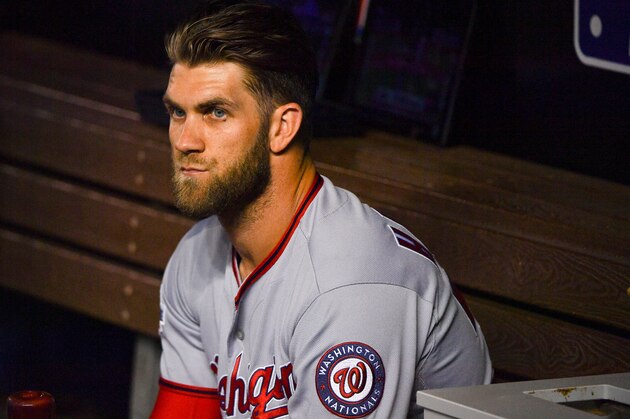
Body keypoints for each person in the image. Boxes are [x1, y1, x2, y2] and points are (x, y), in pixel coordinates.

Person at [151, 1, 492, 417]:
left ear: (283, 127)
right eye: (177, 112)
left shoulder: (353, 284)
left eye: (216, 112)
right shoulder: (196, 256)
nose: (185, 140)